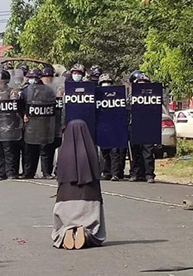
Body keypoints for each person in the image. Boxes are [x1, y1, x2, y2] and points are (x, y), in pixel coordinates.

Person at [52, 120, 106, 250]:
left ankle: (66, 230)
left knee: (60, 226)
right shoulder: (96, 150)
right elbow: (101, 168)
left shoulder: (59, 151)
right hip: (90, 196)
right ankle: (86, 231)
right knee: (94, 228)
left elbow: (56, 171)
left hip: (65, 197)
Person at [21, 69, 56, 179]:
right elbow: (20, 104)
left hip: (43, 124)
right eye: (30, 78)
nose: (32, 80)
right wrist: (24, 114)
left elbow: (53, 105)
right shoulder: (25, 91)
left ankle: (46, 172)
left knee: (45, 149)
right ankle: (28, 172)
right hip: (30, 125)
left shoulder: (48, 91)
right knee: (29, 150)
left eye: (34, 78)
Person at [0, 69, 22, 179]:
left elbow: (15, 106)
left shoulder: (12, 91)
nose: (0, 83)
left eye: (2, 81)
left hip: (9, 124)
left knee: (8, 150)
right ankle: (2, 173)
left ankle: (10, 172)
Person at [128, 71, 156, 183]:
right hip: (134, 126)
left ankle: (149, 174)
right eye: (139, 82)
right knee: (135, 152)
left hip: (148, 126)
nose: (142, 85)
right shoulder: (130, 96)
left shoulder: (153, 95)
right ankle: (135, 174)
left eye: (144, 82)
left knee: (148, 152)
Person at [98, 73, 127, 181]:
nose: (106, 86)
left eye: (108, 83)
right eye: (104, 84)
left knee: (115, 151)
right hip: (103, 127)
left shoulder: (118, 96)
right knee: (105, 151)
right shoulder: (98, 96)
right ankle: (107, 172)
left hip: (115, 127)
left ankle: (115, 173)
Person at [41, 66, 63, 178]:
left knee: (60, 148)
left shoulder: (58, 88)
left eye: (49, 76)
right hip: (44, 124)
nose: (47, 79)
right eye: (44, 76)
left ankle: (59, 170)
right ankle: (46, 172)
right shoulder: (38, 90)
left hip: (58, 123)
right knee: (45, 149)